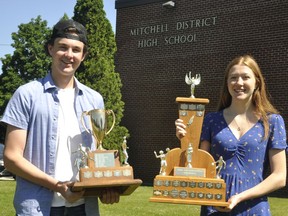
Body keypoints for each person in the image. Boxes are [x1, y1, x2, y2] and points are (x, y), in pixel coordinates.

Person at [1, 19, 119, 216]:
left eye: (76, 49)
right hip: (37, 208)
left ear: (84, 55)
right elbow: (12, 157)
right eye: (62, 47)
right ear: (50, 49)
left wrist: (107, 186)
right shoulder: (26, 95)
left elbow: (96, 152)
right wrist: (58, 186)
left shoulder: (94, 100)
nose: (69, 55)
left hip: (84, 207)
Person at [175, 55, 287, 215]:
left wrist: (239, 197)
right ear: (227, 83)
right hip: (215, 207)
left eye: (245, 77)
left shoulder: (273, 122)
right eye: (233, 78)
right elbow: (200, 168)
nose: (239, 83)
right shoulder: (211, 120)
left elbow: (279, 176)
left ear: (257, 82)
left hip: (254, 209)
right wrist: (185, 141)